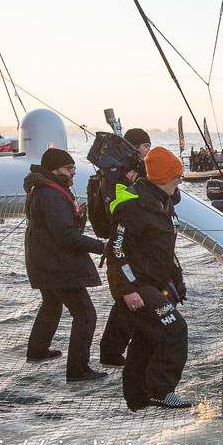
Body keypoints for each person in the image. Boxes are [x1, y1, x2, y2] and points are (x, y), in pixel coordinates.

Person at [110, 147, 191, 410]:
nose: (180, 180)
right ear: (163, 178)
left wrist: (176, 281)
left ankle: (137, 397)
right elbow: (115, 251)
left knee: (146, 338)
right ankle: (161, 390)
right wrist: (128, 290)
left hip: (155, 282)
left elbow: (165, 250)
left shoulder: (164, 204)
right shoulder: (134, 208)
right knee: (174, 329)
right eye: (176, 175)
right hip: (138, 285)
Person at [23, 148, 108, 381]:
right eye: (68, 169)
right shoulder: (52, 194)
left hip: (41, 260)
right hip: (56, 264)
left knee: (51, 303)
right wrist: (102, 247)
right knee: (86, 314)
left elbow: (56, 228)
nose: (72, 173)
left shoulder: (39, 189)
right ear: (54, 170)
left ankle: (37, 351)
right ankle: (77, 370)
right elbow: (66, 236)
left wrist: (77, 218)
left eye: (73, 168)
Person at [89, 131, 147, 368]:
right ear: (133, 148)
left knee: (128, 302)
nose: (148, 151)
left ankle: (112, 353)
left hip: (127, 247)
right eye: (145, 146)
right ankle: (111, 353)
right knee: (128, 301)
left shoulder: (110, 175)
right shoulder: (121, 179)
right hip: (127, 247)